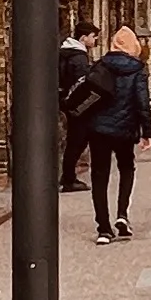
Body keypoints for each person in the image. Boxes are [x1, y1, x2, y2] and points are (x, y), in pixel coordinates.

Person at [78, 23, 151, 243]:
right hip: (125, 128)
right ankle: (122, 214)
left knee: (99, 174)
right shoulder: (137, 69)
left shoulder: (100, 65)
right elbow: (142, 103)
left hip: (99, 129)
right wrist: (147, 131)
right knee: (126, 168)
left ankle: (103, 228)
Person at [54, 32, 96, 195]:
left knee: (74, 140)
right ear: (83, 38)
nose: (95, 40)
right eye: (93, 36)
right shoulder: (79, 57)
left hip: (64, 99)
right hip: (75, 104)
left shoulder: (65, 52)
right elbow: (81, 82)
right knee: (77, 140)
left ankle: (68, 176)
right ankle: (69, 178)